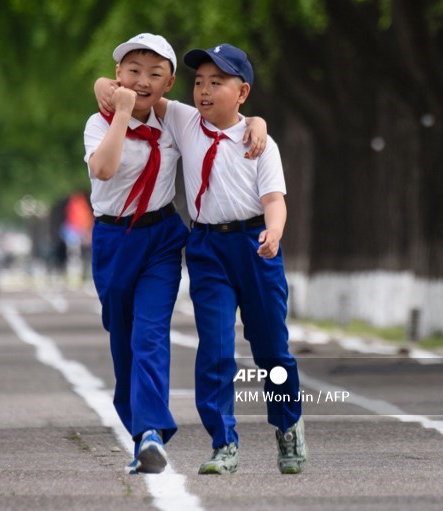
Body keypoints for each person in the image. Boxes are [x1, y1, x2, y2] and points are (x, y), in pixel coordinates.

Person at [91, 34, 269, 475]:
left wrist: (258, 122)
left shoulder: (176, 121)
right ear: (118, 75)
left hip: (162, 239)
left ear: (170, 83)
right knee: (122, 341)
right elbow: (104, 168)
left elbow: (230, 120)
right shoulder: (97, 123)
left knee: (149, 335)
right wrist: (121, 112)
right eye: (133, 71)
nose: (143, 80)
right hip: (113, 241)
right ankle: (138, 428)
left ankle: (151, 433)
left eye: (155, 74)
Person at [162, 44, 306, 474]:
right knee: (217, 349)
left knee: (271, 349)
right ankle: (223, 442)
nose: (203, 91)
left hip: (254, 245)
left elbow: (275, 200)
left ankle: (288, 425)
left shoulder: (262, 143)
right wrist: (103, 85)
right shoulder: (185, 122)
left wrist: (275, 232)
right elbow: (138, 93)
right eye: (199, 82)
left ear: (242, 92)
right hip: (207, 249)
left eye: (216, 83)